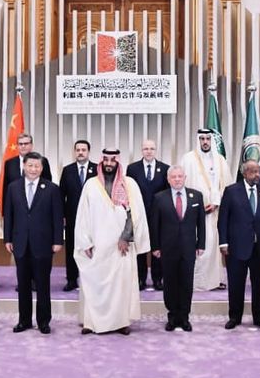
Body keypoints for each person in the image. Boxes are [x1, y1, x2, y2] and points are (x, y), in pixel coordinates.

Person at [74, 149, 150, 335]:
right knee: (94, 284)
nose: (109, 163)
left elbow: (135, 214)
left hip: (120, 246)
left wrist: (126, 237)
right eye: (106, 160)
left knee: (120, 285)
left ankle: (121, 322)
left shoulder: (129, 184)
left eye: (112, 160)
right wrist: (85, 242)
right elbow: (82, 216)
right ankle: (91, 322)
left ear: (118, 162)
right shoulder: (91, 185)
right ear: (101, 161)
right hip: (97, 245)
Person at [4, 152, 64, 334]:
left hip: (43, 244)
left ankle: (43, 321)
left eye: (37, 166)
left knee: (43, 284)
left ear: (42, 168)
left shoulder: (52, 188)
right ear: (24, 166)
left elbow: (57, 216)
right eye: (30, 165)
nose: (33, 169)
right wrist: (7, 238)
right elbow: (9, 215)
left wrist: (58, 240)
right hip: (20, 243)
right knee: (23, 285)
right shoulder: (13, 187)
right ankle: (24, 321)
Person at [218, 160, 260, 331]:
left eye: (258, 171)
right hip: (237, 246)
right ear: (244, 173)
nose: (257, 175)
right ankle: (234, 317)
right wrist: (223, 242)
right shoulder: (231, 191)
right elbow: (223, 219)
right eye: (253, 171)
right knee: (236, 283)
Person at [148, 165, 204, 331]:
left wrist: (201, 244)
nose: (177, 179)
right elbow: (154, 225)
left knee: (187, 283)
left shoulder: (196, 196)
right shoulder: (159, 198)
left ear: (185, 177)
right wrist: (155, 246)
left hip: (189, 248)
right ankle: (172, 317)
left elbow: (201, 223)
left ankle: (184, 317)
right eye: (174, 177)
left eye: (180, 176)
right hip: (167, 249)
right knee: (170, 283)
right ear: (168, 179)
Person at [180, 129, 229, 291]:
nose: (205, 142)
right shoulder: (188, 159)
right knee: (195, 245)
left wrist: (216, 203)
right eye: (202, 139)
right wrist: (196, 205)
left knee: (212, 245)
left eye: (208, 138)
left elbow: (226, 186)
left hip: (214, 211)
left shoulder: (220, 160)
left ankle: (214, 280)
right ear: (198, 140)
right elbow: (180, 184)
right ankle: (195, 281)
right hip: (193, 212)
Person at [126, 139, 170, 291]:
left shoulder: (165, 168)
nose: (149, 151)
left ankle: (158, 279)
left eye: (151, 148)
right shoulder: (132, 169)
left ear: (156, 150)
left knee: (157, 248)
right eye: (146, 148)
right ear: (142, 150)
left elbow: (167, 193)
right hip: (139, 215)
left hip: (159, 216)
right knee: (140, 248)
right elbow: (129, 191)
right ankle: (140, 279)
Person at [59, 140, 96, 291]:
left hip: (93, 218)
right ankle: (72, 279)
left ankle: (92, 280)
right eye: (78, 150)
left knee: (93, 248)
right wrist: (62, 215)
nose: (80, 152)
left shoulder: (97, 169)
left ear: (88, 152)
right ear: (74, 152)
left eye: (83, 150)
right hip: (72, 217)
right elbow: (61, 195)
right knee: (72, 248)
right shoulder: (67, 170)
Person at [2, 132, 52, 204]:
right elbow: (6, 188)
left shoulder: (42, 161)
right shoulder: (9, 163)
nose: (23, 146)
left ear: (31, 145)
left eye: (26, 144)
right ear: (17, 146)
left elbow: (48, 184)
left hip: (38, 202)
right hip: (16, 204)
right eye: (20, 144)